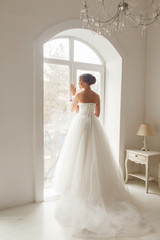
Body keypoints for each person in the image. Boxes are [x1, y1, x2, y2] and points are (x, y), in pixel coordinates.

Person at [53, 73, 151, 239]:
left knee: (80, 155)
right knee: (94, 156)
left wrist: (72, 95)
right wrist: (85, 107)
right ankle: (96, 186)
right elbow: (97, 114)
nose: (78, 82)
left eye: (79, 81)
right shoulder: (96, 95)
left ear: (84, 82)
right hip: (93, 125)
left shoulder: (79, 94)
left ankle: (79, 186)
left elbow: (72, 110)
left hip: (81, 124)